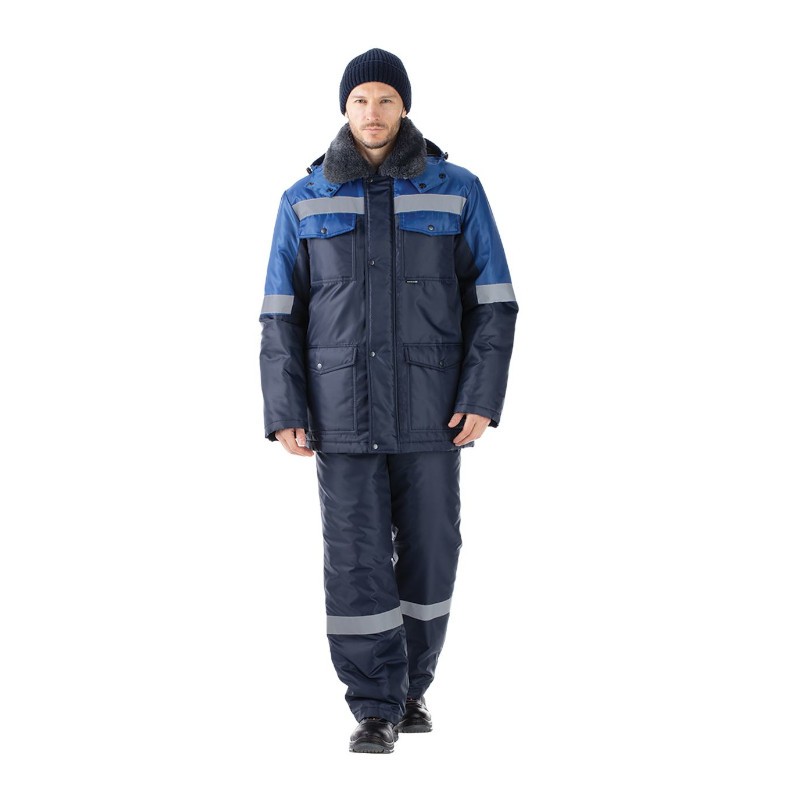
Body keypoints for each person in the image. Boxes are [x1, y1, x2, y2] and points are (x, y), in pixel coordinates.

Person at [258, 48, 518, 754]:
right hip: (339, 411)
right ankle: (374, 705)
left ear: (405, 106)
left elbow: (494, 303)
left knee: (433, 550)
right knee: (356, 558)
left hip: (435, 411)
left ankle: (412, 688)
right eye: (360, 100)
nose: (372, 113)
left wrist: (482, 397)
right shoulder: (304, 198)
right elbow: (280, 314)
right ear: (344, 108)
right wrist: (285, 408)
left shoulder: (457, 189)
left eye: (385, 99)